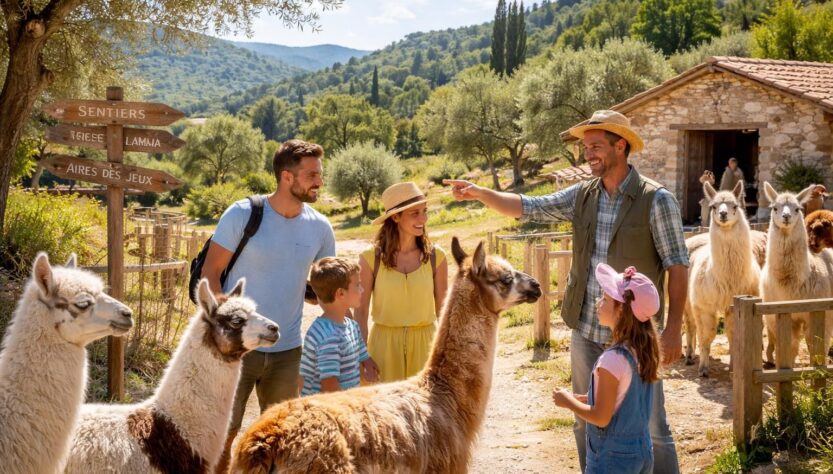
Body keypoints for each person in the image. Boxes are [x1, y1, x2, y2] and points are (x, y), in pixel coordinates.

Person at [444, 109, 688, 473]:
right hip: (587, 331)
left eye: (596, 146)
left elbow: (677, 265)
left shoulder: (657, 200)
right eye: (585, 147)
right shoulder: (582, 195)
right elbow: (529, 207)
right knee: (586, 418)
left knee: (652, 427)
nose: (587, 154)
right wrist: (481, 194)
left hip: (635, 339)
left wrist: (672, 330)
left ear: (621, 146)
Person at [202, 139, 336, 473]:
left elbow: (325, 288)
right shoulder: (243, 214)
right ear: (287, 177)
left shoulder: (321, 227)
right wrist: (224, 337)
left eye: (320, 173)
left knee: (282, 438)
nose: (319, 181)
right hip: (236, 350)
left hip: (288, 349)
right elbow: (211, 273)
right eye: (312, 174)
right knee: (224, 432)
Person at [553, 263, 661, 474]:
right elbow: (624, 397)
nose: (597, 302)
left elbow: (601, 418)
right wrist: (588, 397)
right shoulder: (641, 351)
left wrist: (568, 403)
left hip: (613, 459)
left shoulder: (611, 360)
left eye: (605, 299)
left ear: (621, 311)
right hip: (641, 452)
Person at [355, 182, 449, 382]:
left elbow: (443, 309)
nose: (423, 219)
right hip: (383, 347)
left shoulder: (436, 257)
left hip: (426, 345)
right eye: (415, 213)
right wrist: (362, 356)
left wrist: (447, 352)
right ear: (395, 217)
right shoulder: (370, 258)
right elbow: (360, 311)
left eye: (424, 212)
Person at [300, 257, 379, 395]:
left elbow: (360, 349)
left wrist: (367, 361)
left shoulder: (351, 325)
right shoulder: (329, 337)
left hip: (343, 404)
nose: (362, 289)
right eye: (357, 285)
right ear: (341, 293)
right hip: (329, 409)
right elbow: (329, 386)